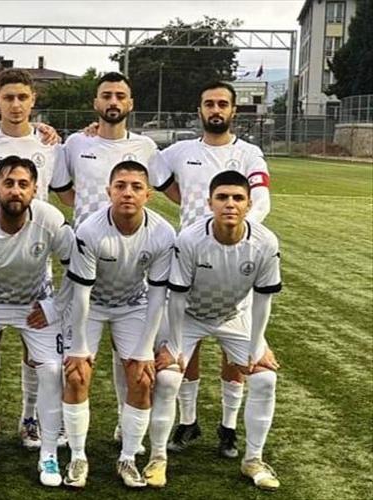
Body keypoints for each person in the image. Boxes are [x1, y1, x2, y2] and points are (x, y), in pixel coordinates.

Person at [151, 81, 272, 458]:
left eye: (222, 104)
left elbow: (261, 199)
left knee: (232, 338)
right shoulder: (179, 151)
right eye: (209, 104)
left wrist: (236, 233)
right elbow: (152, 171)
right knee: (188, 341)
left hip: (234, 260)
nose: (215, 109)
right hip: (189, 256)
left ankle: (228, 426)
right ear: (200, 110)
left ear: (233, 110)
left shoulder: (249, 153)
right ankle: (188, 422)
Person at [144, 170, 281, 491]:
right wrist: (173, 346)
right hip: (187, 316)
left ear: (249, 205)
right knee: (167, 378)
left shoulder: (265, 242)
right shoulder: (190, 239)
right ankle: (157, 458)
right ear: (210, 203)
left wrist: (257, 345)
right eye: (222, 197)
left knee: (265, 379)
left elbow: (263, 300)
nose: (230, 204)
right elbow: (177, 297)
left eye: (238, 198)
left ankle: (253, 460)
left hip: (233, 316)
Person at [0, 68, 67, 449]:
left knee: (35, 344)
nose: (15, 104)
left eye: (22, 97)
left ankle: (29, 418)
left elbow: (67, 190)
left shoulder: (50, 145)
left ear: (33, 100)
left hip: (34, 257)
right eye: (8, 98)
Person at [54, 72, 159, 450]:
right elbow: (63, 191)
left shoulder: (146, 146)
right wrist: (92, 219)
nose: (113, 101)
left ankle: (123, 422)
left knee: (127, 351)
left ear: (130, 103)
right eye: (106, 95)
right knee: (74, 353)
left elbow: (164, 186)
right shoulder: (75, 143)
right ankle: (66, 425)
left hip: (130, 265)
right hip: (83, 259)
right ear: (95, 103)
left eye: (120, 96)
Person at [0, 155, 74, 487]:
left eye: (23, 184)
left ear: (35, 189)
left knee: (51, 369)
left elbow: (77, 265)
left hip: (34, 303)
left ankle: (48, 454)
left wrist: (54, 307)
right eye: (8, 183)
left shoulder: (50, 219)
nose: (15, 191)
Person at [62, 160, 174, 489]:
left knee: (141, 377)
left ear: (148, 195)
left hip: (133, 304)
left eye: (136, 187)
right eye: (120, 186)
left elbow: (157, 295)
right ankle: (78, 457)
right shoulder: (90, 230)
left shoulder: (163, 233)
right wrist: (79, 347)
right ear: (108, 191)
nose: (128, 193)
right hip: (91, 305)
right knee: (77, 374)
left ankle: (128, 458)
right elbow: (81, 294)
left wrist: (144, 350)